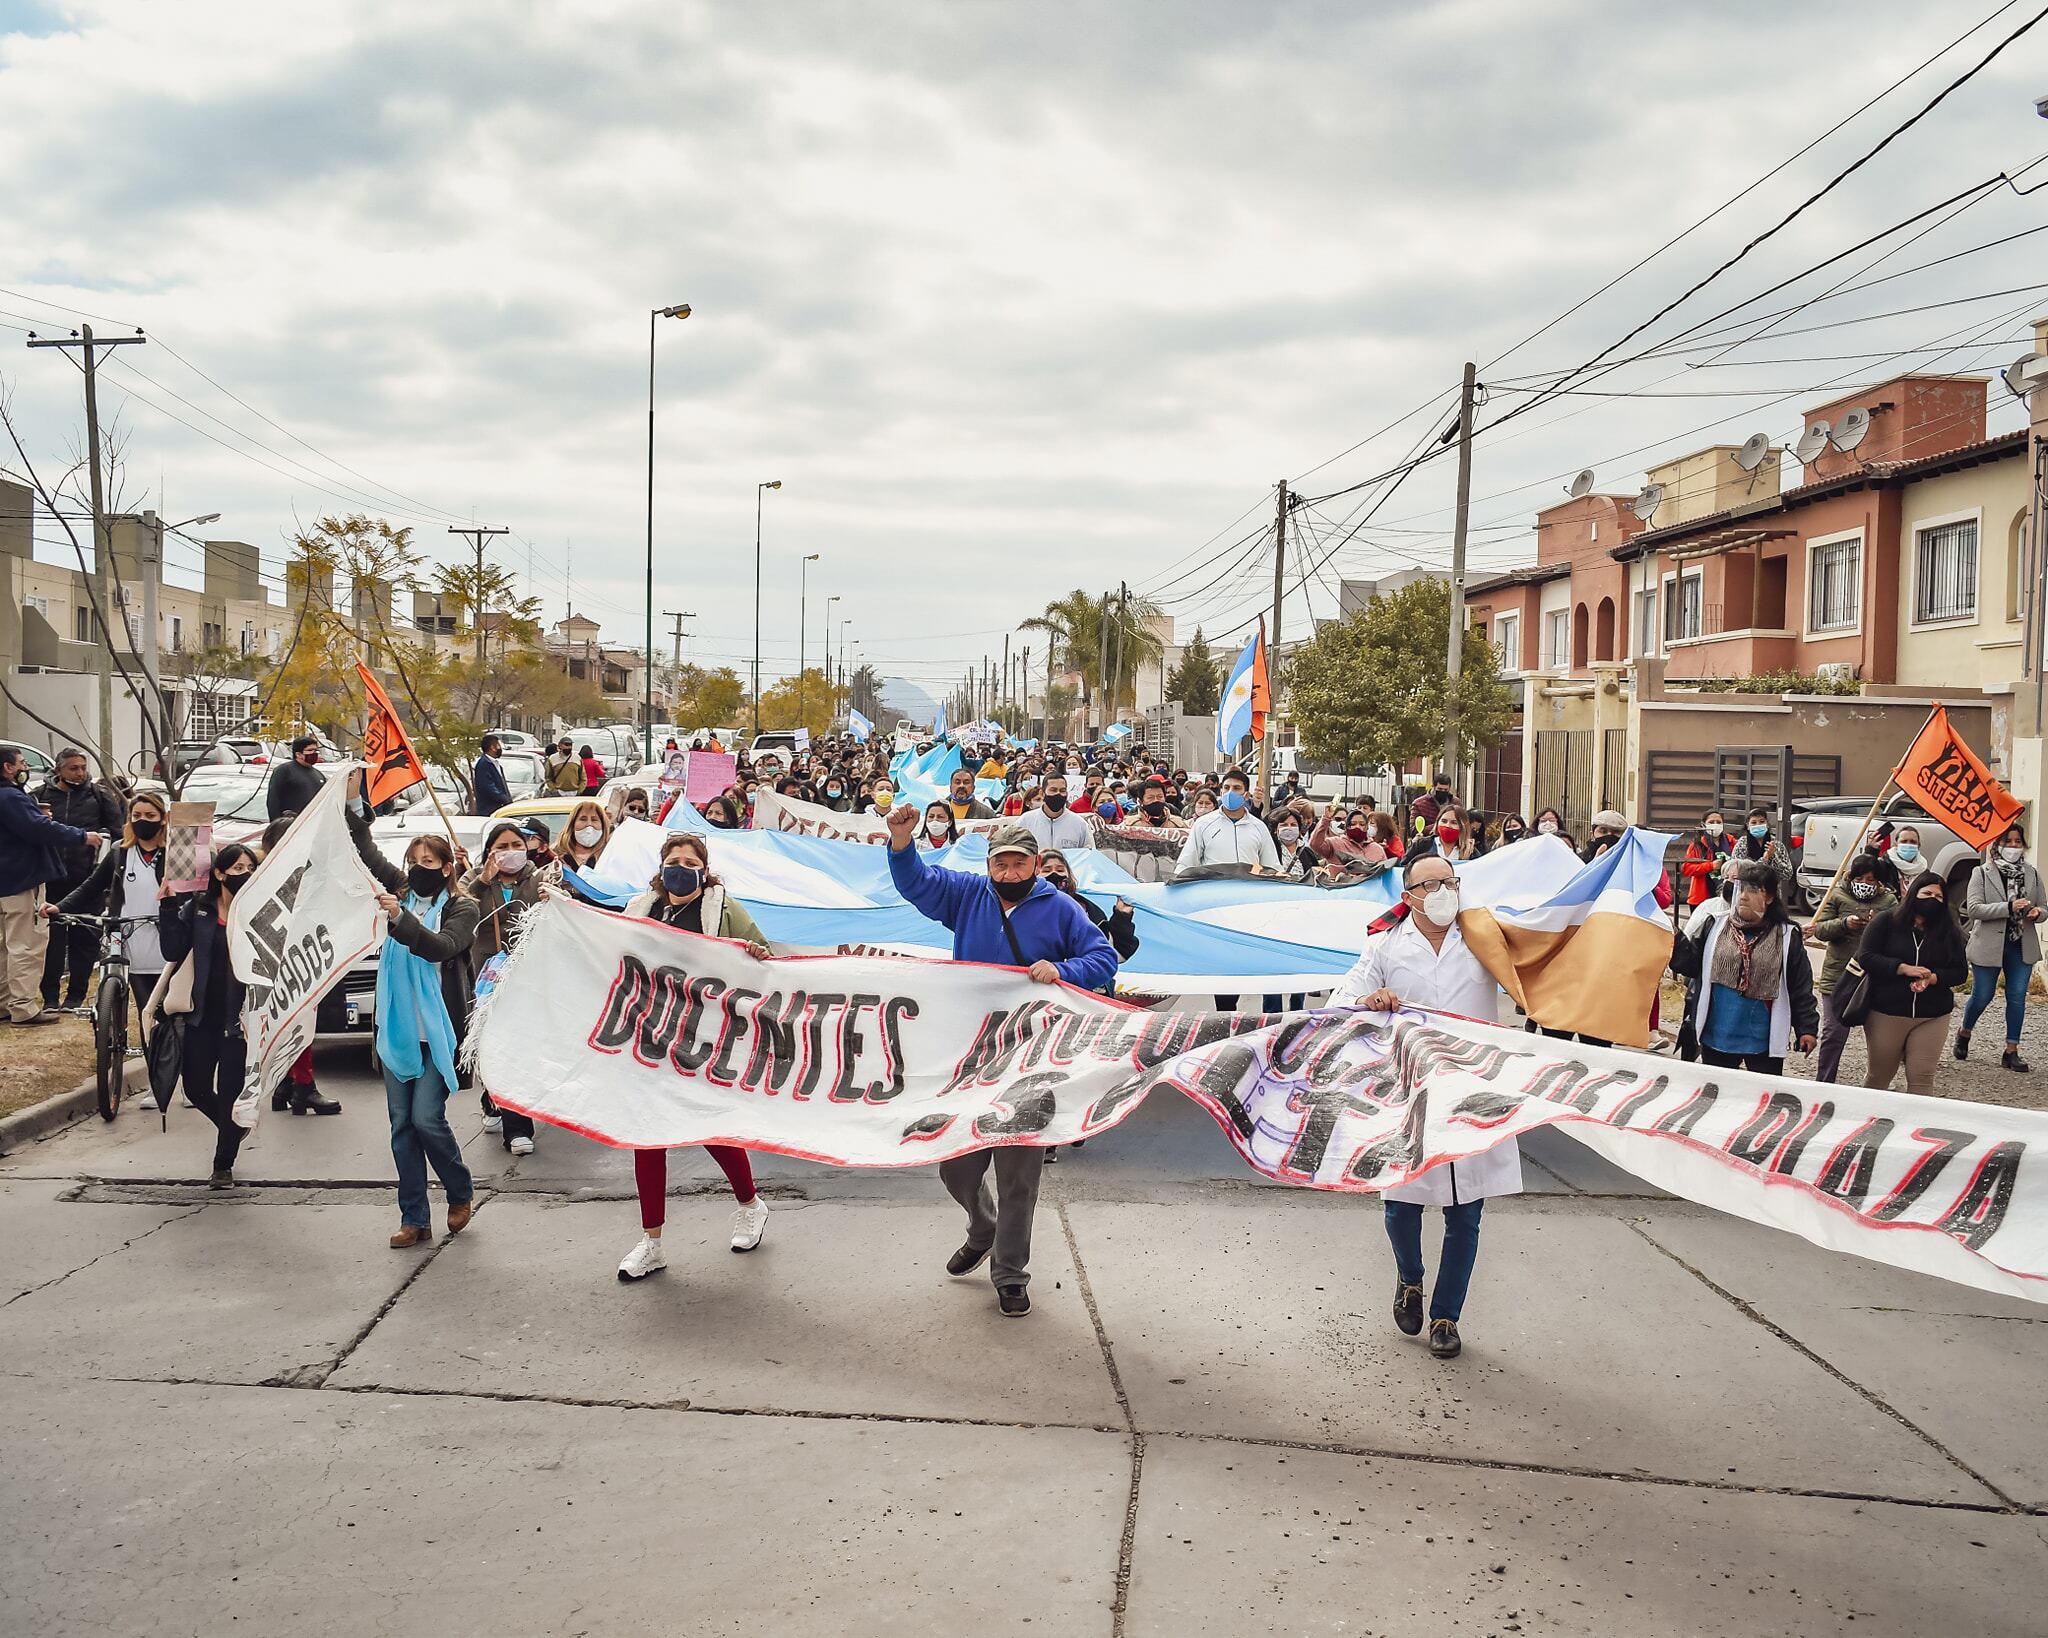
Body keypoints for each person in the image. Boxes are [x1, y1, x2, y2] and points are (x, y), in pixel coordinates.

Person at [885, 812, 1115, 1316]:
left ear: (1035, 863)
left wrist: (1063, 969)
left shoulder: (1062, 908)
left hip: (1033, 1058)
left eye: (1019, 863)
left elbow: (1104, 957)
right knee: (956, 1168)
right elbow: (917, 882)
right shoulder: (968, 896)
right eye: (1000, 864)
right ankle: (981, 1226)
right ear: (988, 865)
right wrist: (902, 841)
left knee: (1018, 1175)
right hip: (970, 1054)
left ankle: (1010, 1273)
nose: (1009, 873)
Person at [1329, 851, 1517, 1361]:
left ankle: (1445, 1316)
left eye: (1450, 882)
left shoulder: (1484, 939)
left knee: (1466, 1210)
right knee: (1402, 1198)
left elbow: (1538, 971)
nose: (1443, 893)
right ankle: (1409, 1278)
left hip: (1473, 1085)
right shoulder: (1385, 944)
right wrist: (1370, 1000)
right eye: (1431, 885)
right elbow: (1344, 994)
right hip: (1408, 1088)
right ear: (1408, 895)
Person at [616, 832, 777, 1279]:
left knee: (710, 1127)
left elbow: (763, 959)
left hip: (703, 1036)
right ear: (661, 865)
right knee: (646, 1137)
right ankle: (652, 1242)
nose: (681, 867)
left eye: (691, 861)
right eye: (673, 859)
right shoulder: (640, 910)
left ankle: (751, 1205)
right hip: (648, 1034)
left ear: (704, 872)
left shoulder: (724, 910)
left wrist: (755, 952)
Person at [347, 774, 479, 1248]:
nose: (419, 868)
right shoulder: (400, 890)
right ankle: (414, 1219)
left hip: (438, 1031)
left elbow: (441, 949)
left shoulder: (462, 907)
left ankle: (460, 1190)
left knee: (427, 1120)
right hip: (397, 1030)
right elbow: (365, 848)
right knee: (401, 1128)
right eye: (414, 861)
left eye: (429, 861)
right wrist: (354, 800)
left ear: (447, 867)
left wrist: (402, 921)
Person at [159, 843, 262, 1186]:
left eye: (250, 867)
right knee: (196, 1086)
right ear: (219, 874)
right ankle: (233, 1126)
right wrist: (167, 905)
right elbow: (172, 949)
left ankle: (223, 1164)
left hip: (240, 1020)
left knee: (230, 1090)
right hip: (202, 1015)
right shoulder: (199, 910)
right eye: (236, 868)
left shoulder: (261, 913)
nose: (244, 873)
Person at [1671, 860, 1817, 1075]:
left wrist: (1807, 1028)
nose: (1743, 896)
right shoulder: (1715, 925)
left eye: (1753, 890)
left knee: (1762, 1097)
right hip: (1717, 1031)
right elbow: (1693, 966)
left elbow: (1800, 985)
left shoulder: (1786, 936)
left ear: (1768, 897)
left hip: (1761, 1038)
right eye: (1740, 889)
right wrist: (1676, 940)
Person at [2, 743, 107, 1026]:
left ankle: (4, 1004)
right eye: (21, 763)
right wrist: (82, 836)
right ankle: (23, 1007)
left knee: (4, 947)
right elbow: (38, 830)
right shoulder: (12, 797)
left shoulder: (97, 796)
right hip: (22, 881)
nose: (26, 768)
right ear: (7, 768)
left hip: (7, 882)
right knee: (26, 945)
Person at [49, 787, 169, 1028]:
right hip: (124, 934)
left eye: (150, 816)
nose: (142, 821)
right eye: (137, 816)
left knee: (165, 1008)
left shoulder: (173, 853)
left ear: (163, 819)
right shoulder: (120, 852)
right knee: (144, 1006)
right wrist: (59, 907)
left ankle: (166, 1057)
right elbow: (92, 886)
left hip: (165, 935)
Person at [465, 820, 546, 1154]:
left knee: (518, 1050)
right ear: (489, 853)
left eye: (517, 845)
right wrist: (483, 881)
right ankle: (492, 1097)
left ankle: (517, 1128)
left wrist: (553, 897)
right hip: (486, 977)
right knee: (490, 1045)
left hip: (527, 978)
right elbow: (461, 909)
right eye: (502, 846)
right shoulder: (474, 880)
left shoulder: (539, 878)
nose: (510, 852)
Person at [1857, 871, 1968, 1095]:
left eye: (1938, 897)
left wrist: (1934, 977)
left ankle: (1916, 1128)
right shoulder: (1886, 921)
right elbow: (1866, 956)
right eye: (1927, 893)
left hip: (1932, 1015)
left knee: (1922, 1077)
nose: (1932, 900)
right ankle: (1867, 1121)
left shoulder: (1949, 931)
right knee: (1879, 1076)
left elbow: (1960, 972)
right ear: (1913, 893)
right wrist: (1901, 968)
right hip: (1887, 1012)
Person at [31, 747, 123, 1009]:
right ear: (59, 769)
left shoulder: (100, 796)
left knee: (85, 943)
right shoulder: (40, 797)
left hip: (89, 881)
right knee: (52, 945)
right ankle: (50, 998)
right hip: (51, 882)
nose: (80, 773)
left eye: (83, 767)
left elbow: (119, 836)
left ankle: (75, 998)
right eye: (73, 768)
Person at [1956, 823, 2045, 1071]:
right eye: (2008, 842)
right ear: (1997, 845)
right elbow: (1974, 909)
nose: (2013, 847)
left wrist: (2038, 913)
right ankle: (1964, 1031)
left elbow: (2044, 907)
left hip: (2020, 944)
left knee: (2017, 997)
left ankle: (2011, 1050)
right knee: (1982, 995)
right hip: (1989, 943)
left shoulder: (2032, 873)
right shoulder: (1981, 873)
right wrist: (2009, 907)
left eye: (2018, 842)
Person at [1807, 853, 1895, 1084]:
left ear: (1879, 882)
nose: (1866, 884)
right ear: (1851, 877)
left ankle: (1877, 1085)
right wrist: (1844, 924)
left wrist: (1877, 925)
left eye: (1871, 880)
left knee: (1882, 1040)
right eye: (1861, 878)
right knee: (1833, 1034)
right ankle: (1824, 1082)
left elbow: (1900, 933)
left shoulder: (1888, 902)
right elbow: (1820, 929)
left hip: (1874, 979)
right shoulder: (1836, 895)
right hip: (1838, 976)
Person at [1039, 849, 1139, 965]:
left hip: (1077, 980)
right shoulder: (1023, 908)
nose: (1054, 874)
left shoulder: (1086, 910)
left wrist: (1122, 916)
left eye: (1060, 870)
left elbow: (1115, 954)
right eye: (1046, 870)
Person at [1178, 768, 1279, 872]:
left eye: (1236, 788)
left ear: (1247, 795)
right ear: (1221, 792)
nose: (1230, 792)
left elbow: (1272, 866)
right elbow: (1186, 864)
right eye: (1226, 787)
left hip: (1249, 886)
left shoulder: (1259, 827)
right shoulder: (1203, 824)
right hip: (1214, 886)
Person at [547, 801, 613, 901]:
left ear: (603, 826)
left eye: (594, 820)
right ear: (572, 824)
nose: (589, 825)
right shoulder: (556, 855)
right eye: (583, 819)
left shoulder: (610, 856)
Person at [1735, 806, 1796, 903]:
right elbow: (1739, 871)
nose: (1758, 825)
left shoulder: (1777, 844)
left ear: (1767, 824)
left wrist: (1773, 856)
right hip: (1747, 894)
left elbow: (1787, 874)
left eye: (1762, 821)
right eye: (1754, 822)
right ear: (1747, 825)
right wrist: (1765, 859)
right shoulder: (1742, 844)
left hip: (1771, 895)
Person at [1020, 772, 1091, 851]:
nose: (1058, 794)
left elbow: (1088, 855)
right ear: (1042, 793)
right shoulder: (1025, 821)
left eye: (1062, 790)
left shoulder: (1080, 824)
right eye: (1053, 790)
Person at [1310, 803, 1386, 873]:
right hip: (1340, 886)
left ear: (1367, 827)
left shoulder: (1377, 849)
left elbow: (1385, 873)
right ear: (1347, 827)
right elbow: (1315, 844)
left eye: (1362, 824)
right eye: (1353, 824)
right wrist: (1325, 820)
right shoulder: (1334, 843)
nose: (1357, 827)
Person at [265, 734, 326, 821]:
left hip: (312, 825)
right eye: (310, 750)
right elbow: (273, 800)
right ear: (298, 754)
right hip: (290, 825)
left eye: (316, 750)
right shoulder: (284, 770)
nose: (314, 753)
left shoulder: (318, 775)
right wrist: (277, 825)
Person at [1680, 810, 1733, 909]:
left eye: (1718, 822)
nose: (1715, 825)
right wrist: (1710, 866)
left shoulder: (1731, 841)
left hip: (1727, 895)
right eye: (1711, 822)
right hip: (1702, 897)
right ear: (1703, 824)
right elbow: (1687, 868)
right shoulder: (1697, 844)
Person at [472, 734, 511, 816]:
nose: (500, 748)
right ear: (492, 747)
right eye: (498, 745)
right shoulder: (484, 764)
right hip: (489, 810)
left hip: (499, 809)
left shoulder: (495, 764)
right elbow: (488, 787)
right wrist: (504, 799)